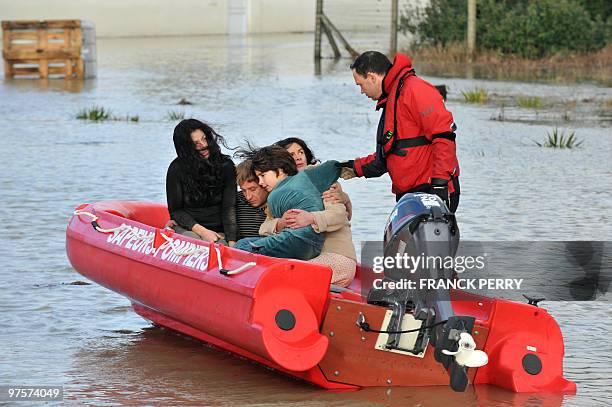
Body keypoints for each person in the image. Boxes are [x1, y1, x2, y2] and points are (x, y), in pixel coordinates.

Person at [339, 51, 461, 212]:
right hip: (410, 195)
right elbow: (390, 151)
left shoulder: (415, 90)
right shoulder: (393, 96)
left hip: (432, 192)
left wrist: (439, 186)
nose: (362, 91)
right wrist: (355, 168)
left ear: (372, 77)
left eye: (360, 84)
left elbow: (444, 137)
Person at [261, 139, 357, 287]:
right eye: (292, 154)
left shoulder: (322, 180)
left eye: (301, 152)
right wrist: (280, 223)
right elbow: (264, 227)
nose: (299, 157)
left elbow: (340, 217)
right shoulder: (283, 191)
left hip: (336, 258)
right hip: (309, 258)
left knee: (282, 277)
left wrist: (311, 218)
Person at [234, 146, 341, 260]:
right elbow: (334, 166)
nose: (261, 182)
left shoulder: (275, 196)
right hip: (311, 243)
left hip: (299, 240)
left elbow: (341, 216)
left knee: (242, 249)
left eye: (262, 176)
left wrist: (342, 197)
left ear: (279, 170)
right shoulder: (307, 177)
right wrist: (355, 167)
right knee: (242, 243)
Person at [166, 119, 237, 245]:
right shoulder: (176, 169)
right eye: (196, 143)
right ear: (185, 148)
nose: (203, 145)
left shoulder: (226, 165)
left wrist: (232, 242)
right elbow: (176, 211)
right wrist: (203, 232)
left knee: (222, 246)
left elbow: (229, 207)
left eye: (204, 139)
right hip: (189, 227)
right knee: (195, 243)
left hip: (218, 230)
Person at [235, 160, 268, 239]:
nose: (248, 197)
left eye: (253, 189)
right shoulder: (235, 201)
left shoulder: (278, 203)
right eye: (243, 190)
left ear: (263, 182)